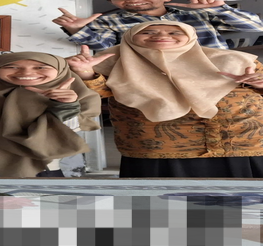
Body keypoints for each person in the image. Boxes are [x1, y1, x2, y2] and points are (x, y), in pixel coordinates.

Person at [68, 20, 263, 178]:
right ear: (130, 37)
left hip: (239, 143)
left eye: (174, 32)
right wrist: (85, 73)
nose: (161, 36)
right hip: (157, 147)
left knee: (244, 207)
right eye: (147, 32)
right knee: (165, 208)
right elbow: (99, 93)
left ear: (191, 37)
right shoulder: (111, 61)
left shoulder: (237, 60)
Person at [52, 0, 263, 50]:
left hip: (215, 72)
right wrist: (76, 29)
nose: (133, 1)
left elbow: (255, 27)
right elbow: (104, 47)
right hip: (153, 76)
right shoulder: (107, 21)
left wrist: (221, 9)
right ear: (112, 3)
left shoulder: (199, 14)